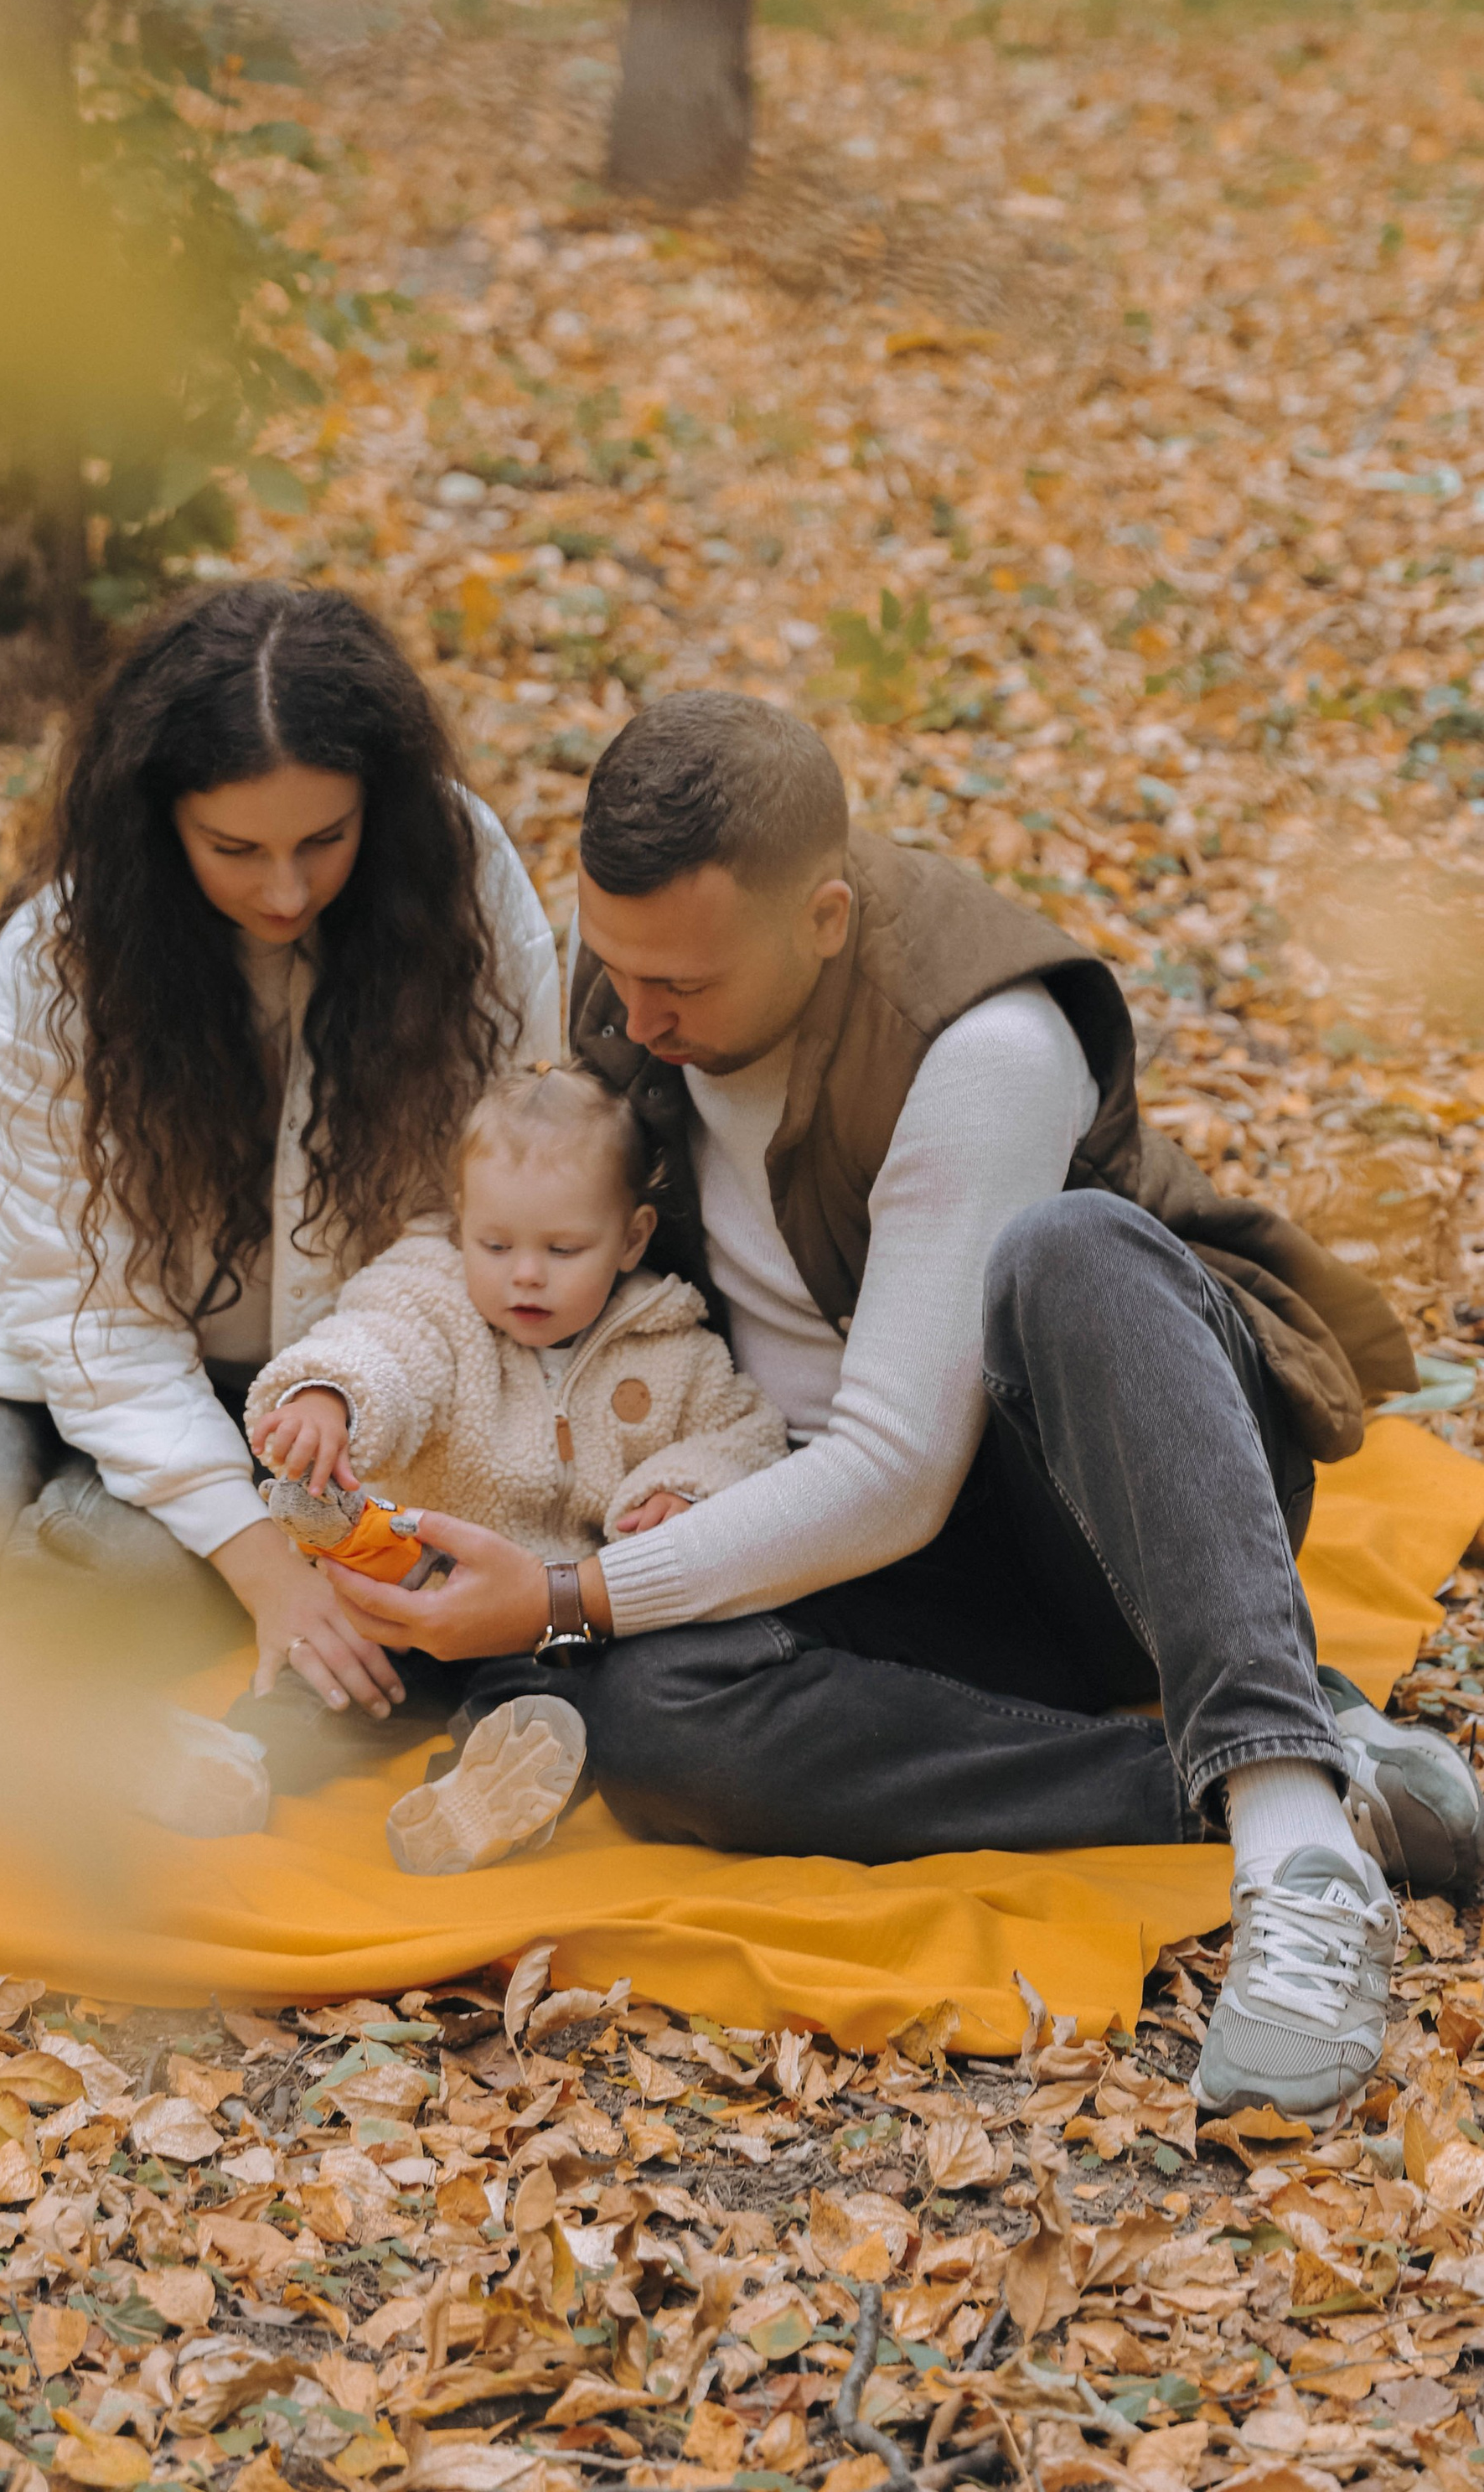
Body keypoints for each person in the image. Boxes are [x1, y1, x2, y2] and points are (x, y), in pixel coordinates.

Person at [336, 691, 1484, 2125]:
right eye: (616, 971)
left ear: (822, 920)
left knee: (1066, 1250)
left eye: (680, 985)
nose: (636, 1020)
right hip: (884, 1549)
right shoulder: (644, 981)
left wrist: (570, 1594)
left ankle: (1292, 1837)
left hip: (1119, 1505)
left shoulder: (980, 1039)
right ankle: (1287, 1768)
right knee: (652, 1713)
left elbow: (896, 1468)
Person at [0, 582, 561, 1811]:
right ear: (160, 824)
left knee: (130, 1586)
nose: (289, 892)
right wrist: (264, 1573)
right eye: (236, 849)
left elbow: (488, 1193)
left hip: (302, 1382)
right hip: (8, 1333)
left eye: (326, 840)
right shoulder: (62, 954)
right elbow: (77, 1305)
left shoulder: (460, 893)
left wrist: (319, 1447)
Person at [236, 1065, 788, 1869]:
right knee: (327, 1676)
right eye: (495, 1244)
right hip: (410, 1594)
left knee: (552, 1705)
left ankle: (470, 1801)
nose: (524, 1273)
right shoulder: (439, 1298)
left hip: (545, 1621)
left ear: (632, 1236)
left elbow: (746, 1437)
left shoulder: (674, 1349)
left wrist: (680, 1488)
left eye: (564, 1249)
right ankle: (234, 1762)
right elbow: (384, 1344)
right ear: (463, 1223)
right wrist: (330, 1397)